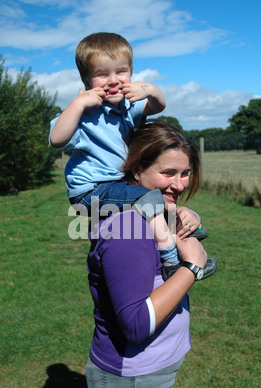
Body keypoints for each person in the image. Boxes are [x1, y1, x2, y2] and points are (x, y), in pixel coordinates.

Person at [85, 121, 216, 388]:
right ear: (136, 168)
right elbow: (136, 324)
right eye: (168, 172)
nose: (179, 184)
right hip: (134, 377)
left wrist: (188, 218)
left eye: (184, 173)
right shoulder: (126, 227)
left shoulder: (152, 214)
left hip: (153, 366)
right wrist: (192, 266)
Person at [49, 32, 216, 278]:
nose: (113, 80)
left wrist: (148, 89)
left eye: (121, 71)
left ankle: (186, 235)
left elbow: (158, 106)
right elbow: (57, 139)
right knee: (149, 200)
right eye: (102, 74)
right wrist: (78, 104)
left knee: (154, 202)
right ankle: (172, 262)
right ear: (86, 81)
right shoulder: (83, 116)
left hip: (116, 185)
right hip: (90, 193)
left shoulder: (128, 108)